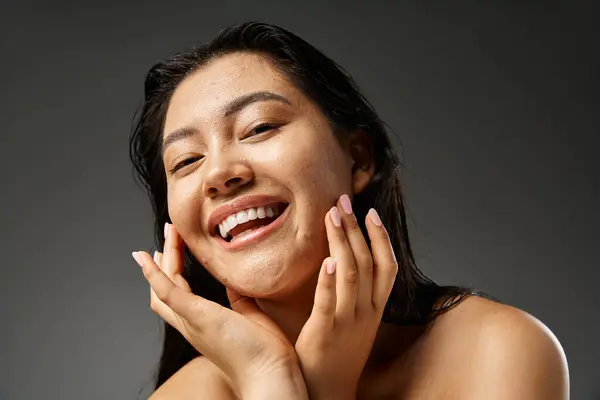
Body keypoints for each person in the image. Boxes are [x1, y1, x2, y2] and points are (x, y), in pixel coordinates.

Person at [129, 22, 569, 399]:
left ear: (357, 159)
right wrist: (270, 379)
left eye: (259, 127)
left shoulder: (496, 351)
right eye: (186, 160)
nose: (220, 173)